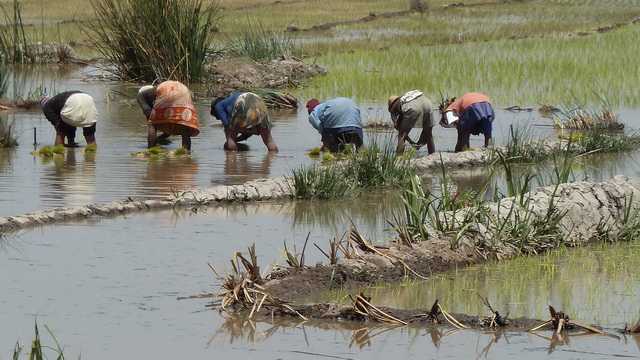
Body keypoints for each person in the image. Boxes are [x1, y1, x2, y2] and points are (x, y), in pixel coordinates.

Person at [139, 81, 200, 151]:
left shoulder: (140, 95)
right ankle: (186, 152)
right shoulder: (157, 89)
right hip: (184, 91)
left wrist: (155, 138)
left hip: (168, 92)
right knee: (184, 127)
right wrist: (161, 137)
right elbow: (169, 123)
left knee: (152, 124)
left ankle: (151, 150)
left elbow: (148, 114)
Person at [211, 92, 278, 152]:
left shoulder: (218, 105)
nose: (220, 119)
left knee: (229, 136)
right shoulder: (231, 100)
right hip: (258, 100)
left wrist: (229, 141)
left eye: (218, 117)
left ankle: (230, 162)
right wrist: (236, 140)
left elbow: (227, 125)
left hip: (242, 101)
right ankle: (273, 157)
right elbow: (247, 134)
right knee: (269, 140)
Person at [388, 90, 435, 155]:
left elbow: (400, 130)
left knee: (401, 136)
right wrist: (415, 143)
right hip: (428, 104)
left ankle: (398, 158)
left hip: (413, 107)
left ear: (392, 105)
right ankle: (433, 156)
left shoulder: (397, 106)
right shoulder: (406, 98)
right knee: (429, 135)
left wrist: (412, 142)